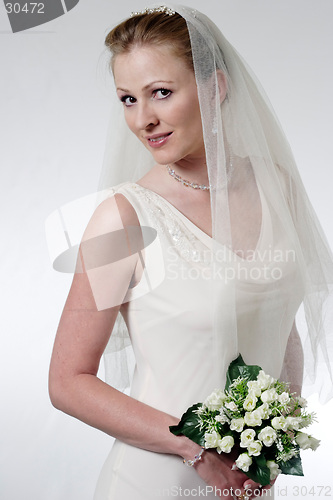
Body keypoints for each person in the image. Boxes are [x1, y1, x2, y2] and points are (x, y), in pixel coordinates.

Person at [48, 5, 333, 500]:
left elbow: (281, 331)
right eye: (128, 99)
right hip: (154, 481)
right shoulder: (124, 218)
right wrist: (196, 449)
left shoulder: (275, 186)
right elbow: (68, 381)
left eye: (161, 92)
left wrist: (268, 449)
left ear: (215, 88)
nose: (143, 119)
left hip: (247, 485)